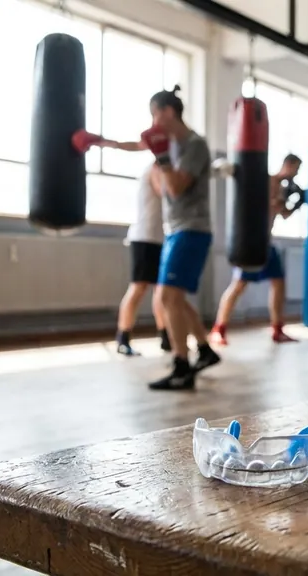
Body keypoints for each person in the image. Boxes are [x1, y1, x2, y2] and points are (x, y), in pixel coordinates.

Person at [141, 86, 221, 390]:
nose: (153, 121)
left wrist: (160, 158)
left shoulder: (195, 145)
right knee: (177, 298)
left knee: (166, 298)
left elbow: (174, 188)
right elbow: (163, 187)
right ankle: (204, 349)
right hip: (175, 229)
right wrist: (99, 142)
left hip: (191, 228)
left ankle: (181, 366)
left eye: (155, 114)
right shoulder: (173, 146)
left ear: (168, 111)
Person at [209, 154, 304, 345]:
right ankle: (218, 329)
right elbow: (261, 205)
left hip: (267, 242)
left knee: (278, 283)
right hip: (251, 242)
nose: (296, 173)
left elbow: (283, 214)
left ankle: (277, 329)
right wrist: (277, 200)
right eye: (296, 168)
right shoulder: (266, 180)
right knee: (238, 285)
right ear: (288, 164)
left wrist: (298, 202)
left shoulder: (284, 188)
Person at [114, 164, 170, 356]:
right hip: (144, 237)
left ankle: (165, 338)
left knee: (160, 290)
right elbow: (168, 193)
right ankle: (123, 338)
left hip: (159, 238)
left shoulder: (164, 169)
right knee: (139, 287)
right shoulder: (156, 169)